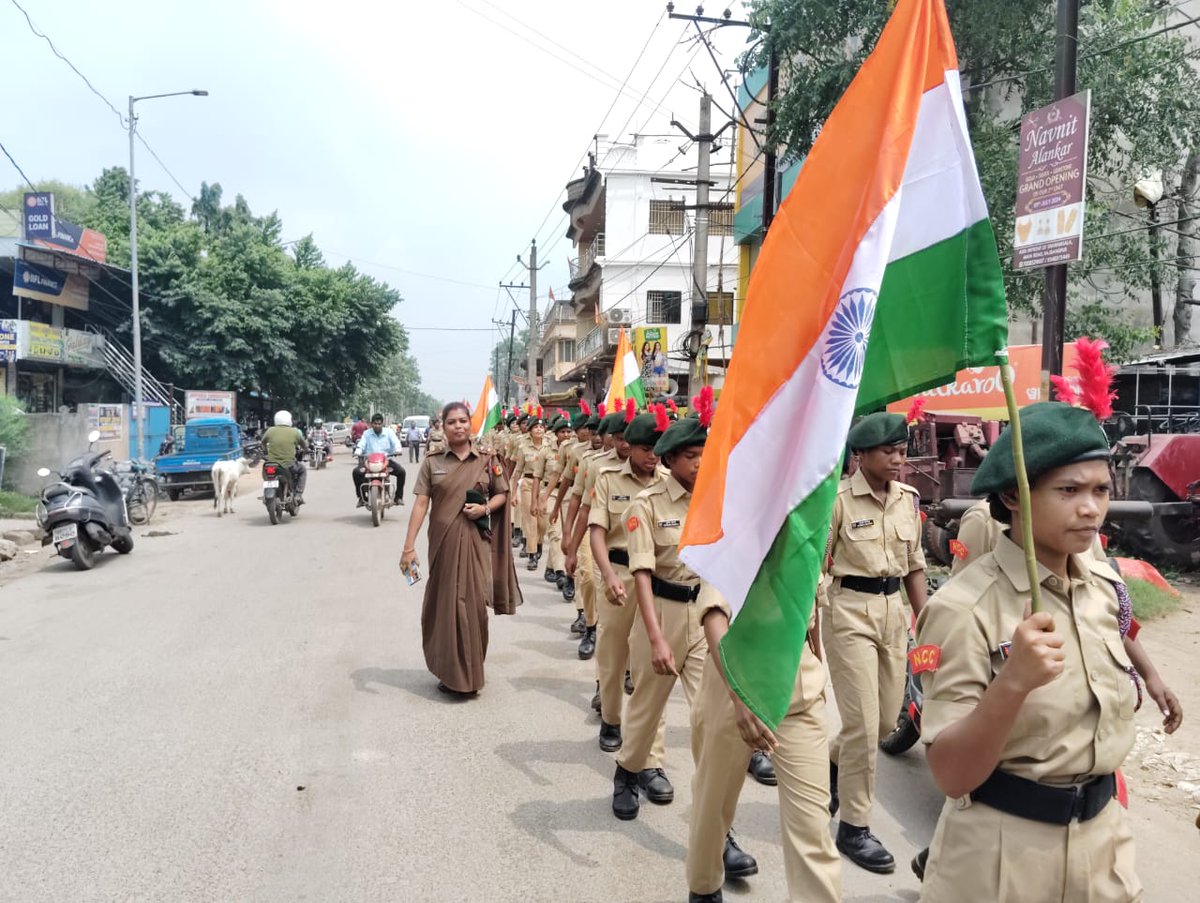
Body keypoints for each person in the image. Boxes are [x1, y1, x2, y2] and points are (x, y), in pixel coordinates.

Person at [916, 401, 1150, 901]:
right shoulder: (964, 607)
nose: (1090, 507)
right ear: (1013, 494)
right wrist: (1014, 682)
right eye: (1069, 490)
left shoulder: (1101, 589)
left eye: (1100, 490)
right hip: (1003, 858)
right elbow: (952, 775)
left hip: (1103, 846)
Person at [823, 411, 926, 874]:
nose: (898, 459)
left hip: (892, 616)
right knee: (863, 725)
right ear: (860, 454)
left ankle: (832, 764)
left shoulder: (908, 498)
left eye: (902, 450)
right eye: (888, 451)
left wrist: (923, 618)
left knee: (885, 721)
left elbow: (915, 564)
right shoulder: (838, 501)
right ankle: (855, 827)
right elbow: (818, 568)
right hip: (849, 613)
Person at [400, 402, 522, 696]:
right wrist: (408, 546)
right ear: (443, 426)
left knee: (473, 606)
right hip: (442, 543)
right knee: (444, 605)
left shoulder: (486, 459)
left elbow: (502, 494)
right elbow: (420, 504)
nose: (458, 426)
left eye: (463, 421)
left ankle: (471, 670)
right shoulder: (432, 462)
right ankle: (449, 672)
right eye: (451, 422)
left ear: (470, 424)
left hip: (476, 543)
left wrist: (483, 508)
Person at [589, 405, 666, 752]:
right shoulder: (608, 479)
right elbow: (597, 533)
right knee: (613, 655)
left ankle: (649, 748)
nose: (652, 456)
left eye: (657, 449)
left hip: (657, 580)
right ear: (629, 447)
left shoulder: (670, 483)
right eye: (646, 449)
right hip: (619, 575)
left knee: (650, 662)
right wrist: (607, 576)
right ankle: (611, 718)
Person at [354, 413, 406, 507]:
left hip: (386, 461)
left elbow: (396, 442)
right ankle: (361, 498)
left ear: (382, 424)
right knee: (356, 472)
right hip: (369, 462)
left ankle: (398, 497)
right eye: (375, 423)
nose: (377, 426)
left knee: (402, 472)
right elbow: (361, 444)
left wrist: (398, 450)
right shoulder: (367, 433)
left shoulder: (389, 432)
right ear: (371, 424)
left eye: (379, 423)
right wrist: (358, 451)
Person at [261, 410, 308, 503]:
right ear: (289, 420)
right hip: (289, 465)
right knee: (302, 469)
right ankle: (298, 494)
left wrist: (266, 452)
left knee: (266, 473)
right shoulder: (294, 432)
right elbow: (304, 445)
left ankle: (266, 492)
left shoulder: (270, 430)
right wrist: (305, 450)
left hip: (272, 465)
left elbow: (263, 443)